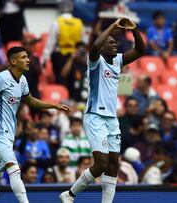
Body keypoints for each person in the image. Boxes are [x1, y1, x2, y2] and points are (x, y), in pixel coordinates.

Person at [60, 17, 145, 203]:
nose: (115, 44)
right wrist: (113, 26)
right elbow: (95, 46)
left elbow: (140, 50)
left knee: (114, 164)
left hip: (111, 119)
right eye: (111, 42)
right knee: (101, 164)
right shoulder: (95, 62)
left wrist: (134, 30)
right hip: (95, 116)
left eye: (116, 41)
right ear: (103, 46)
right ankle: (69, 194)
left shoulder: (117, 61)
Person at [0, 46, 70, 203]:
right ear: (13, 61)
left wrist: (54, 106)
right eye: (23, 57)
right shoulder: (1, 78)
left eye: (27, 57)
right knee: (14, 169)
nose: (28, 60)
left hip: (9, 133)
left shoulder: (22, 80)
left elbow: (30, 100)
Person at [42, 0, 84, 84]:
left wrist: (45, 58)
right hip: (75, 55)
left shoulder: (57, 22)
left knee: (61, 80)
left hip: (60, 55)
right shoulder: (79, 23)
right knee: (74, 81)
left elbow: (51, 42)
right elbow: (82, 41)